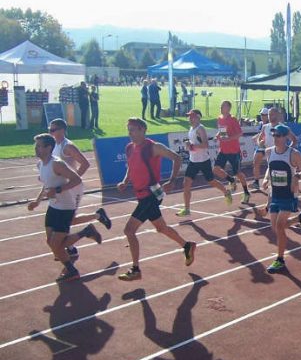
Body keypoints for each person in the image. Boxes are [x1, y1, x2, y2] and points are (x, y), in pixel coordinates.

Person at [117, 117, 196, 281]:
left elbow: (177, 158)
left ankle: (136, 269)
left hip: (151, 194)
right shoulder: (129, 148)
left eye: (132, 129)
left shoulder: (153, 147)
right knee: (161, 227)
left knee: (129, 230)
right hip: (140, 195)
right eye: (128, 130)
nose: (130, 133)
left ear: (142, 130)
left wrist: (172, 180)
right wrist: (125, 181)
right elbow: (131, 167)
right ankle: (187, 245)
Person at [28, 134, 103, 282]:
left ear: (49, 148)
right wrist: (37, 201)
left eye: (39, 146)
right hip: (53, 207)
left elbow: (77, 179)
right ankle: (87, 231)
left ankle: (72, 270)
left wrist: (57, 190)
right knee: (51, 243)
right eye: (35, 146)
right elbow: (46, 185)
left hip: (65, 208)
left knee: (56, 245)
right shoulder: (40, 164)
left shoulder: (57, 164)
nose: (35, 149)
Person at [49, 118, 111, 260]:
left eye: (53, 130)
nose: (51, 133)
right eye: (50, 130)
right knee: (65, 219)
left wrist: (74, 180)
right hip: (62, 188)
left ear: (62, 130)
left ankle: (71, 247)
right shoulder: (54, 145)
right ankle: (71, 246)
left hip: (73, 189)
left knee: (67, 220)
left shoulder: (68, 146)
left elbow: (85, 163)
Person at [263, 124, 301, 274]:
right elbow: (269, 168)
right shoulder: (268, 152)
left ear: (285, 137)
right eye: (274, 136)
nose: (275, 138)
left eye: (278, 136)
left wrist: (296, 177)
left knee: (279, 226)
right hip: (275, 194)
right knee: (276, 227)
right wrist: (265, 179)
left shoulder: (294, 154)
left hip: (289, 195)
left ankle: (280, 259)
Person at [176, 109, 233, 216]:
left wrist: (191, 146)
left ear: (198, 118)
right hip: (193, 161)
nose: (190, 119)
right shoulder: (191, 128)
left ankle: (226, 192)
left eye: (192, 117)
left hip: (203, 161)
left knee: (211, 181)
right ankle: (187, 209)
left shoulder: (200, 129)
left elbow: (206, 145)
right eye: (189, 117)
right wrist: (189, 144)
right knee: (186, 183)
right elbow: (195, 144)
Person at [213, 100, 251, 205]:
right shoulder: (219, 118)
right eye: (220, 105)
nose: (221, 107)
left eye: (223, 106)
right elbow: (221, 131)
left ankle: (246, 193)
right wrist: (218, 135)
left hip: (234, 151)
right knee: (216, 169)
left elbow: (240, 133)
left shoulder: (233, 119)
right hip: (223, 150)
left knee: (238, 173)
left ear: (228, 108)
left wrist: (228, 139)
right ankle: (231, 180)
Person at [252, 108, 297, 190]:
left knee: (284, 175)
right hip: (270, 153)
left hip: (282, 154)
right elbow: (260, 138)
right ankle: (261, 183)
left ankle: (291, 190)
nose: (269, 116)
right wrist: (260, 143)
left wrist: (289, 151)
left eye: (272, 114)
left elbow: (294, 140)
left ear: (277, 115)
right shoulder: (265, 127)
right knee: (270, 169)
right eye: (269, 115)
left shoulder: (284, 128)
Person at [251, 108, 271, 190]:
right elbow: (260, 134)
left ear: (267, 116)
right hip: (260, 146)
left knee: (272, 165)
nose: (262, 116)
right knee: (255, 162)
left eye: (264, 115)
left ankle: (269, 181)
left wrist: (257, 138)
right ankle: (256, 182)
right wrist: (257, 138)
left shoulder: (270, 125)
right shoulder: (260, 124)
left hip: (268, 146)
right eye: (261, 115)